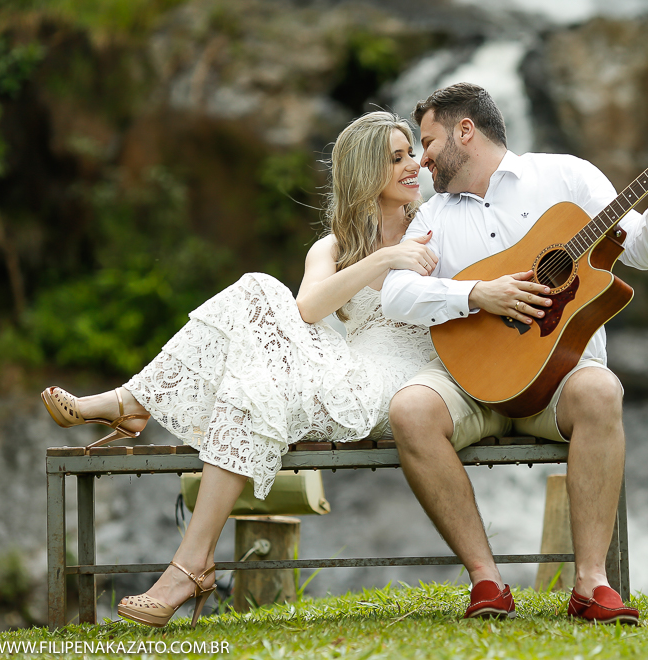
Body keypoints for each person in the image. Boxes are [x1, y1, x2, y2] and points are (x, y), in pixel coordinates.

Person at [40, 111, 439, 628]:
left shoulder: (436, 227)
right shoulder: (335, 246)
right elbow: (307, 309)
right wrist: (384, 260)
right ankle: (188, 557)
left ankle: (132, 407)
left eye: (411, 153)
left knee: (256, 365)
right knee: (257, 307)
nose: (414, 165)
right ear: (365, 172)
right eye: (397, 157)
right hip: (348, 362)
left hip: (398, 382)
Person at [381, 83, 648, 624]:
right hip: (473, 386)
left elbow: (641, 251)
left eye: (428, 142)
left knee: (602, 389)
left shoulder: (566, 178)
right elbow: (396, 294)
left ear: (465, 131)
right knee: (410, 410)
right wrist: (478, 293)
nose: (422, 158)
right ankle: (487, 581)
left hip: (558, 380)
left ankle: (591, 585)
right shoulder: (434, 215)